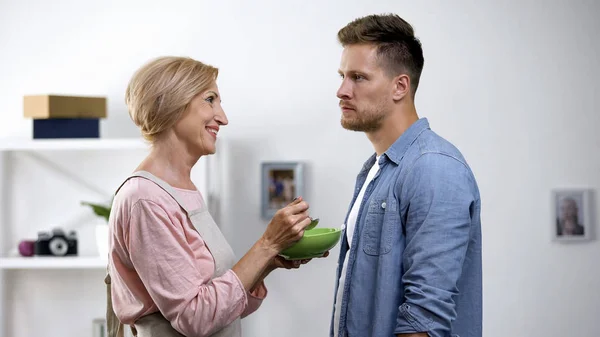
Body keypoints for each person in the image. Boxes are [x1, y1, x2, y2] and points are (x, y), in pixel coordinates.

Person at [105, 56, 323, 337]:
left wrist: (268, 262)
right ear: (171, 104)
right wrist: (266, 245)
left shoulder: (179, 190)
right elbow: (195, 318)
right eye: (210, 100)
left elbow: (220, 307)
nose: (223, 117)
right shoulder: (145, 199)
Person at [331, 14, 482, 337]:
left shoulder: (434, 168)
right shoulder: (375, 170)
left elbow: (423, 320)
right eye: (343, 76)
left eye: (358, 77)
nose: (342, 90)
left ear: (400, 86)